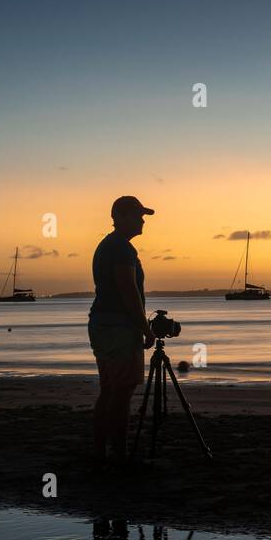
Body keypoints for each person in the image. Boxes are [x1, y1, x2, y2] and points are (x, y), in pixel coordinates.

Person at [88, 195, 157, 463]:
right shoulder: (121, 249)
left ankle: (101, 452)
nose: (142, 221)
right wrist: (145, 328)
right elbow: (128, 290)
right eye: (138, 215)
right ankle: (118, 454)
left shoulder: (107, 245)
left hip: (103, 324)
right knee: (122, 392)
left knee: (109, 390)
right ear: (122, 217)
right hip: (118, 328)